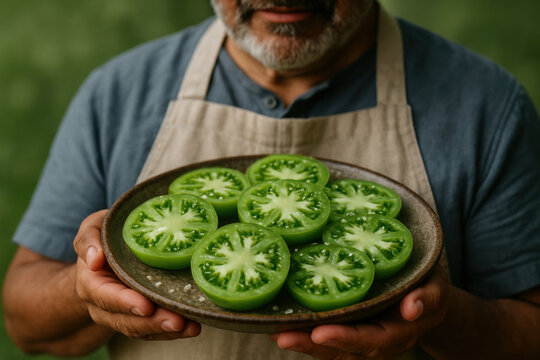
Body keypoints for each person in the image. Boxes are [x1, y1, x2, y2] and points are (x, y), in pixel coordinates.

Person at [3, 0, 540, 359]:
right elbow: (24, 320)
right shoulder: (117, 93)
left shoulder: (487, 106)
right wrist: (87, 287)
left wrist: (442, 318)